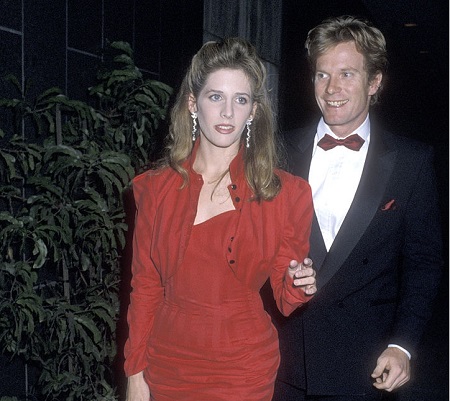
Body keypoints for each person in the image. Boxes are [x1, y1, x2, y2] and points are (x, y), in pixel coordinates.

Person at [123, 37, 317, 401]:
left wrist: (298, 283)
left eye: (240, 100)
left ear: (253, 111)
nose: (228, 112)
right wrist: (135, 372)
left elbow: (286, 296)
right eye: (216, 97)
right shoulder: (155, 188)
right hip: (167, 366)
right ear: (193, 104)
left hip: (243, 370)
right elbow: (145, 286)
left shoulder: (285, 193)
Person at [269, 15, 443, 401]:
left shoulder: (411, 162)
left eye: (347, 74)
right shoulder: (276, 152)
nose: (332, 88)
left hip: (364, 365)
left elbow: (424, 265)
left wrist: (402, 345)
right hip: (282, 361)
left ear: (374, 82)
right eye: (322, 74)